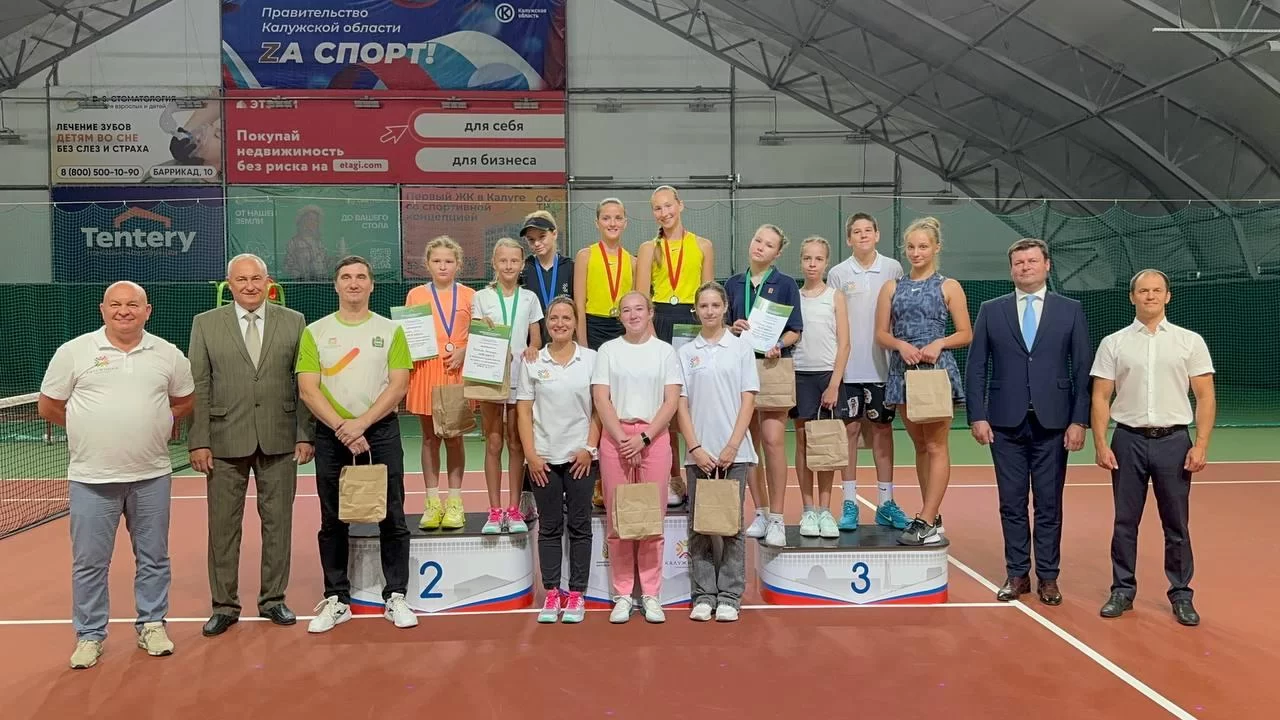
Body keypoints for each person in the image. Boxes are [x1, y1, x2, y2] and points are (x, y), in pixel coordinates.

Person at [38, 281, 195, 669]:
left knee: (154, 558)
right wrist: (84, 428)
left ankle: (152, 624)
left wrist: (156, 421)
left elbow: (185, 400)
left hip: (152, 476)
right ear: (103, 309)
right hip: (91, 479)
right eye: (116, 304)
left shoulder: (168, 354)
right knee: (90, 563)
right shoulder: (73, 352)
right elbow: (49, 406)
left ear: (147, 311)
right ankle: (89, 635)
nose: (124, 310)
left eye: (133, 304)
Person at [188, 254, 314, 637]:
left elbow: (304, 383)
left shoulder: (294, 321)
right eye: (241, 280)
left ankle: (273, 599)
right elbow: (200, 385)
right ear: (229, 284)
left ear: (267, 281)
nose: (249, 286)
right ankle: (224, 606)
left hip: (280, 437)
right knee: (222, 529)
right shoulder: (205, 324)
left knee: (279, 525)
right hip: (223, 441)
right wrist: (199, 440)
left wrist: (304, 433)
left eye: (256, 278)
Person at [965, 239, 1092, 605]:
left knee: (1049, 504)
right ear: (1011, 269)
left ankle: (1048, 578)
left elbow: (1083, 369)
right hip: (1004, 424)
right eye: (1019, 262)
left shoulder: (1070, 310)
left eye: (1032, 261)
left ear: (1047, 265)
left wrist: (1079, 420)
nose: (1025, 267)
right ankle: (1017, 574)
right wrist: (977, 415)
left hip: (1055, 423)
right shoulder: (991, 310)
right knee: (1012, 503)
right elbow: (976, 367)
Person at [296, 255, 417, 633]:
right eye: (346, 277)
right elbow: (308, 389)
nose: (354, 283)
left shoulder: (391, 331)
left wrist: (362, 424)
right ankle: (337, 598)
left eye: (361, 277)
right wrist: (342, 427)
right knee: (332, 518)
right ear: (336, 285)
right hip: (331, 435)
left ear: (371, 285)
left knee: (392, 515)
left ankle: (396, 595)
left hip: (380, 432)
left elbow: (399, 384)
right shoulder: (315, 332)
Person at [1091, 269, 1214, 627]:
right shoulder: (1113, 343)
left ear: (1167, 296)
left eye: (1157, 290)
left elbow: (1205, 396)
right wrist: (1100, 442)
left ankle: (1181, 594)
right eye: (1143, 291)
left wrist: (1201, 444)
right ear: (1132, 297)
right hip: (1127, 441)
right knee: (1125, 522)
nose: (1150, 296)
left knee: (1176, 524)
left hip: (1174, 442)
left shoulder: (1189, 341)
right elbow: (1100, 396)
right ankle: (1122, 591)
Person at [875, 216, 971, 546]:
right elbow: (881, 334)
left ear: (936, 248)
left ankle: (926, 519)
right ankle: (933, 514)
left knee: (936, 445)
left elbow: (965, 333)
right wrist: (900, 345)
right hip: (903, 373)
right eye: (911, 247)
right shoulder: (892, 287)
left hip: (936, 372)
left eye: (923, 247)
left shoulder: (949, 286)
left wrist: (939, 343)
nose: (916, 252)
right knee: (919, 446)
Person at [591, 291, 683, 624]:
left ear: (650, 313)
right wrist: (622, 439)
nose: (633, 315)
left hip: (654, 439)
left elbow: (671, 401)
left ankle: (651, 594)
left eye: (639, 309)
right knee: (618, 519)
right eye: (626, 310)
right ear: (620, 316)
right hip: (615, 439)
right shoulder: (607, 351)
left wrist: (643, 438)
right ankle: (622, 594)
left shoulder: (665, 352)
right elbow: (601, 399)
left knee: (651, 519)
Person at [676, 282, 759, 622]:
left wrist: (732, 445)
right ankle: (703, 594)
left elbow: (748, 399)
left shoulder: (740, 348)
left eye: (715, 305)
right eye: (703, 306)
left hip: (733, 453)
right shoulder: (685, 352)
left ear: (725, 307)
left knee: (731, 525)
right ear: (696, 310)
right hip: (699, 455)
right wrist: (695, 448)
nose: (709, 311)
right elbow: (680, 404)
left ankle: (728, 596)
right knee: (699, 525)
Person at [516, 296, 600, 624]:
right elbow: (524, 411)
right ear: (547, 323)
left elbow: (599, 408)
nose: (560, 323)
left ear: (576, 323)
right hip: (544, 461)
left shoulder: (591, 359)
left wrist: (589, 448)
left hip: (580, 458)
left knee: (580, 526)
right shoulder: (533, 360)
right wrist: (531, 455)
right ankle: (552, 592)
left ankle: (577, 594)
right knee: (549, 527)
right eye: (554, 318)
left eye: (566, 317)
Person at [826, 213, 910, 532]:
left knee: (882, 431)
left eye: (867, 230)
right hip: (847, 368)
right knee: (848, 432)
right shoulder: (837, 273)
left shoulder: (893, 268)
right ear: (848, 239)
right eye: (856, 232)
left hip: (882, 367)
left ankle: (886, 503)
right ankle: (849, 502)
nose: (862, 235)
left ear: (877, 234)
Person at [635, 185, 715, 507]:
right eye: (657, 208)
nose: (664, 212)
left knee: (696, 404)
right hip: (660, 323)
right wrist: (652, 337)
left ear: (680, 205)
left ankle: (702, 472)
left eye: (668, 205)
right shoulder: (647, 248)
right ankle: (672, 477)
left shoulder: (703, 245)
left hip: (692, 324)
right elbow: (642, 298)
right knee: (665, 407)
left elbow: (708, 293)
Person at [725, 224, 803, 548]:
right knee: (749, 446)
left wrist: (778, 344)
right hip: (740, 371)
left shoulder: (786, 284)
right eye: (758, 240)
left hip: (771, 368)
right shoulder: (732, 284)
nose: (760, 246)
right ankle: (760, 511)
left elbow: (796, 329)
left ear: (777, 253)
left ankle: (778, 518)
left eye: (769, 245)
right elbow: (723, 328)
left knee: (772, 441)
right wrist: (732, 328)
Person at [473, 238, 543, 534]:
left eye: (514, 261)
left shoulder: (529, 298)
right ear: (494, 263)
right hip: (491, 375)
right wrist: (484, 329)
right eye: (503, 260)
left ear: (522, 264)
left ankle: (514, 510)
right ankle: (493, 511)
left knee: (516, 443)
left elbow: (536, 338)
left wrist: (533, 348)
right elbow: (476, 333)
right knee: (493, 442)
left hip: (520, 376)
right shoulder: (481, 297)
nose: (509, 266)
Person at [403, 236, 473, 530]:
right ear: (427, 264)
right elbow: (408, 335)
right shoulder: (415, 295)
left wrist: (464, 351)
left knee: (454, 437)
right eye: (437, 261)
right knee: (430, 438)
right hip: (425, 370)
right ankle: (432, 503)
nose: (443, 266)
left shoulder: (470, 295)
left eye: (448, 261)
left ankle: (455, 502)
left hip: (456, 370)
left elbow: (480, 334)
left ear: (458, 264)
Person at [790, 237, 851, 539]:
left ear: (826, 263)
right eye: (807, 258)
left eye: (818, 259)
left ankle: (826, 510)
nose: (812, 264)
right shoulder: (793, 297)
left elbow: (845, 344)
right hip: (799, 375)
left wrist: (835, 384)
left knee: (826, 444)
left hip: (827, 376)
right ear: (801, 261)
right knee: (803, 443)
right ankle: (808, 510)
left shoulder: (835, 296)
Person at [573, 197, 635, 351]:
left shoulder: (633, 262)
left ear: (625, 223)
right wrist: (583, 344)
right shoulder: (585, 256)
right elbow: (579, 305)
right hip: (593, 327)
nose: (612, 223)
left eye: (618, 218)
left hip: (623, 327)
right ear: (597, 223)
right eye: (606, 218)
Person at [519, 210, 574, 343]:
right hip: (532, 343)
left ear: (554, 234)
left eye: (542, 236)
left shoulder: (569, 267)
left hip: (563, 338)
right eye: (531, 239)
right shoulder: (524, 268)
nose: (537, 243)